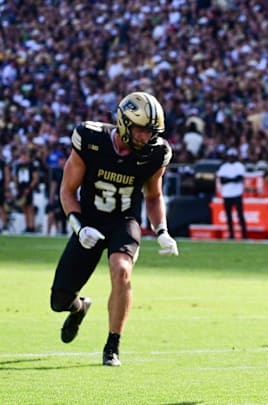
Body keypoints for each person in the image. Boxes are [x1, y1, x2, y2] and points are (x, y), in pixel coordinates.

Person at [50, 91, 179, 367]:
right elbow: (67, 190)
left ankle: (112, 345)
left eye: (151, 131)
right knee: (59, 300)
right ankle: (79, 307)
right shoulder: (90, 139)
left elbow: (154, 196)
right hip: (90, 222)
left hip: (124, 221)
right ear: (124, 123)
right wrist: (78, 226)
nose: (147, 138)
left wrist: (162, 231)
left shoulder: (157, 152)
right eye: (142, 130)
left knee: (121, 270)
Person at [216, 147, 248, 239]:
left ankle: (244, 234)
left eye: (232, 156)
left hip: (237, 194)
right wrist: (233, 179)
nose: (231, 158)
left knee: (240, 215)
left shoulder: (239, 166)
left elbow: (239, 178)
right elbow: (222, 180)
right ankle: (231, 234)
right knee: (228, 215)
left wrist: (229, 179)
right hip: (226, 194)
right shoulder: (224, 167)